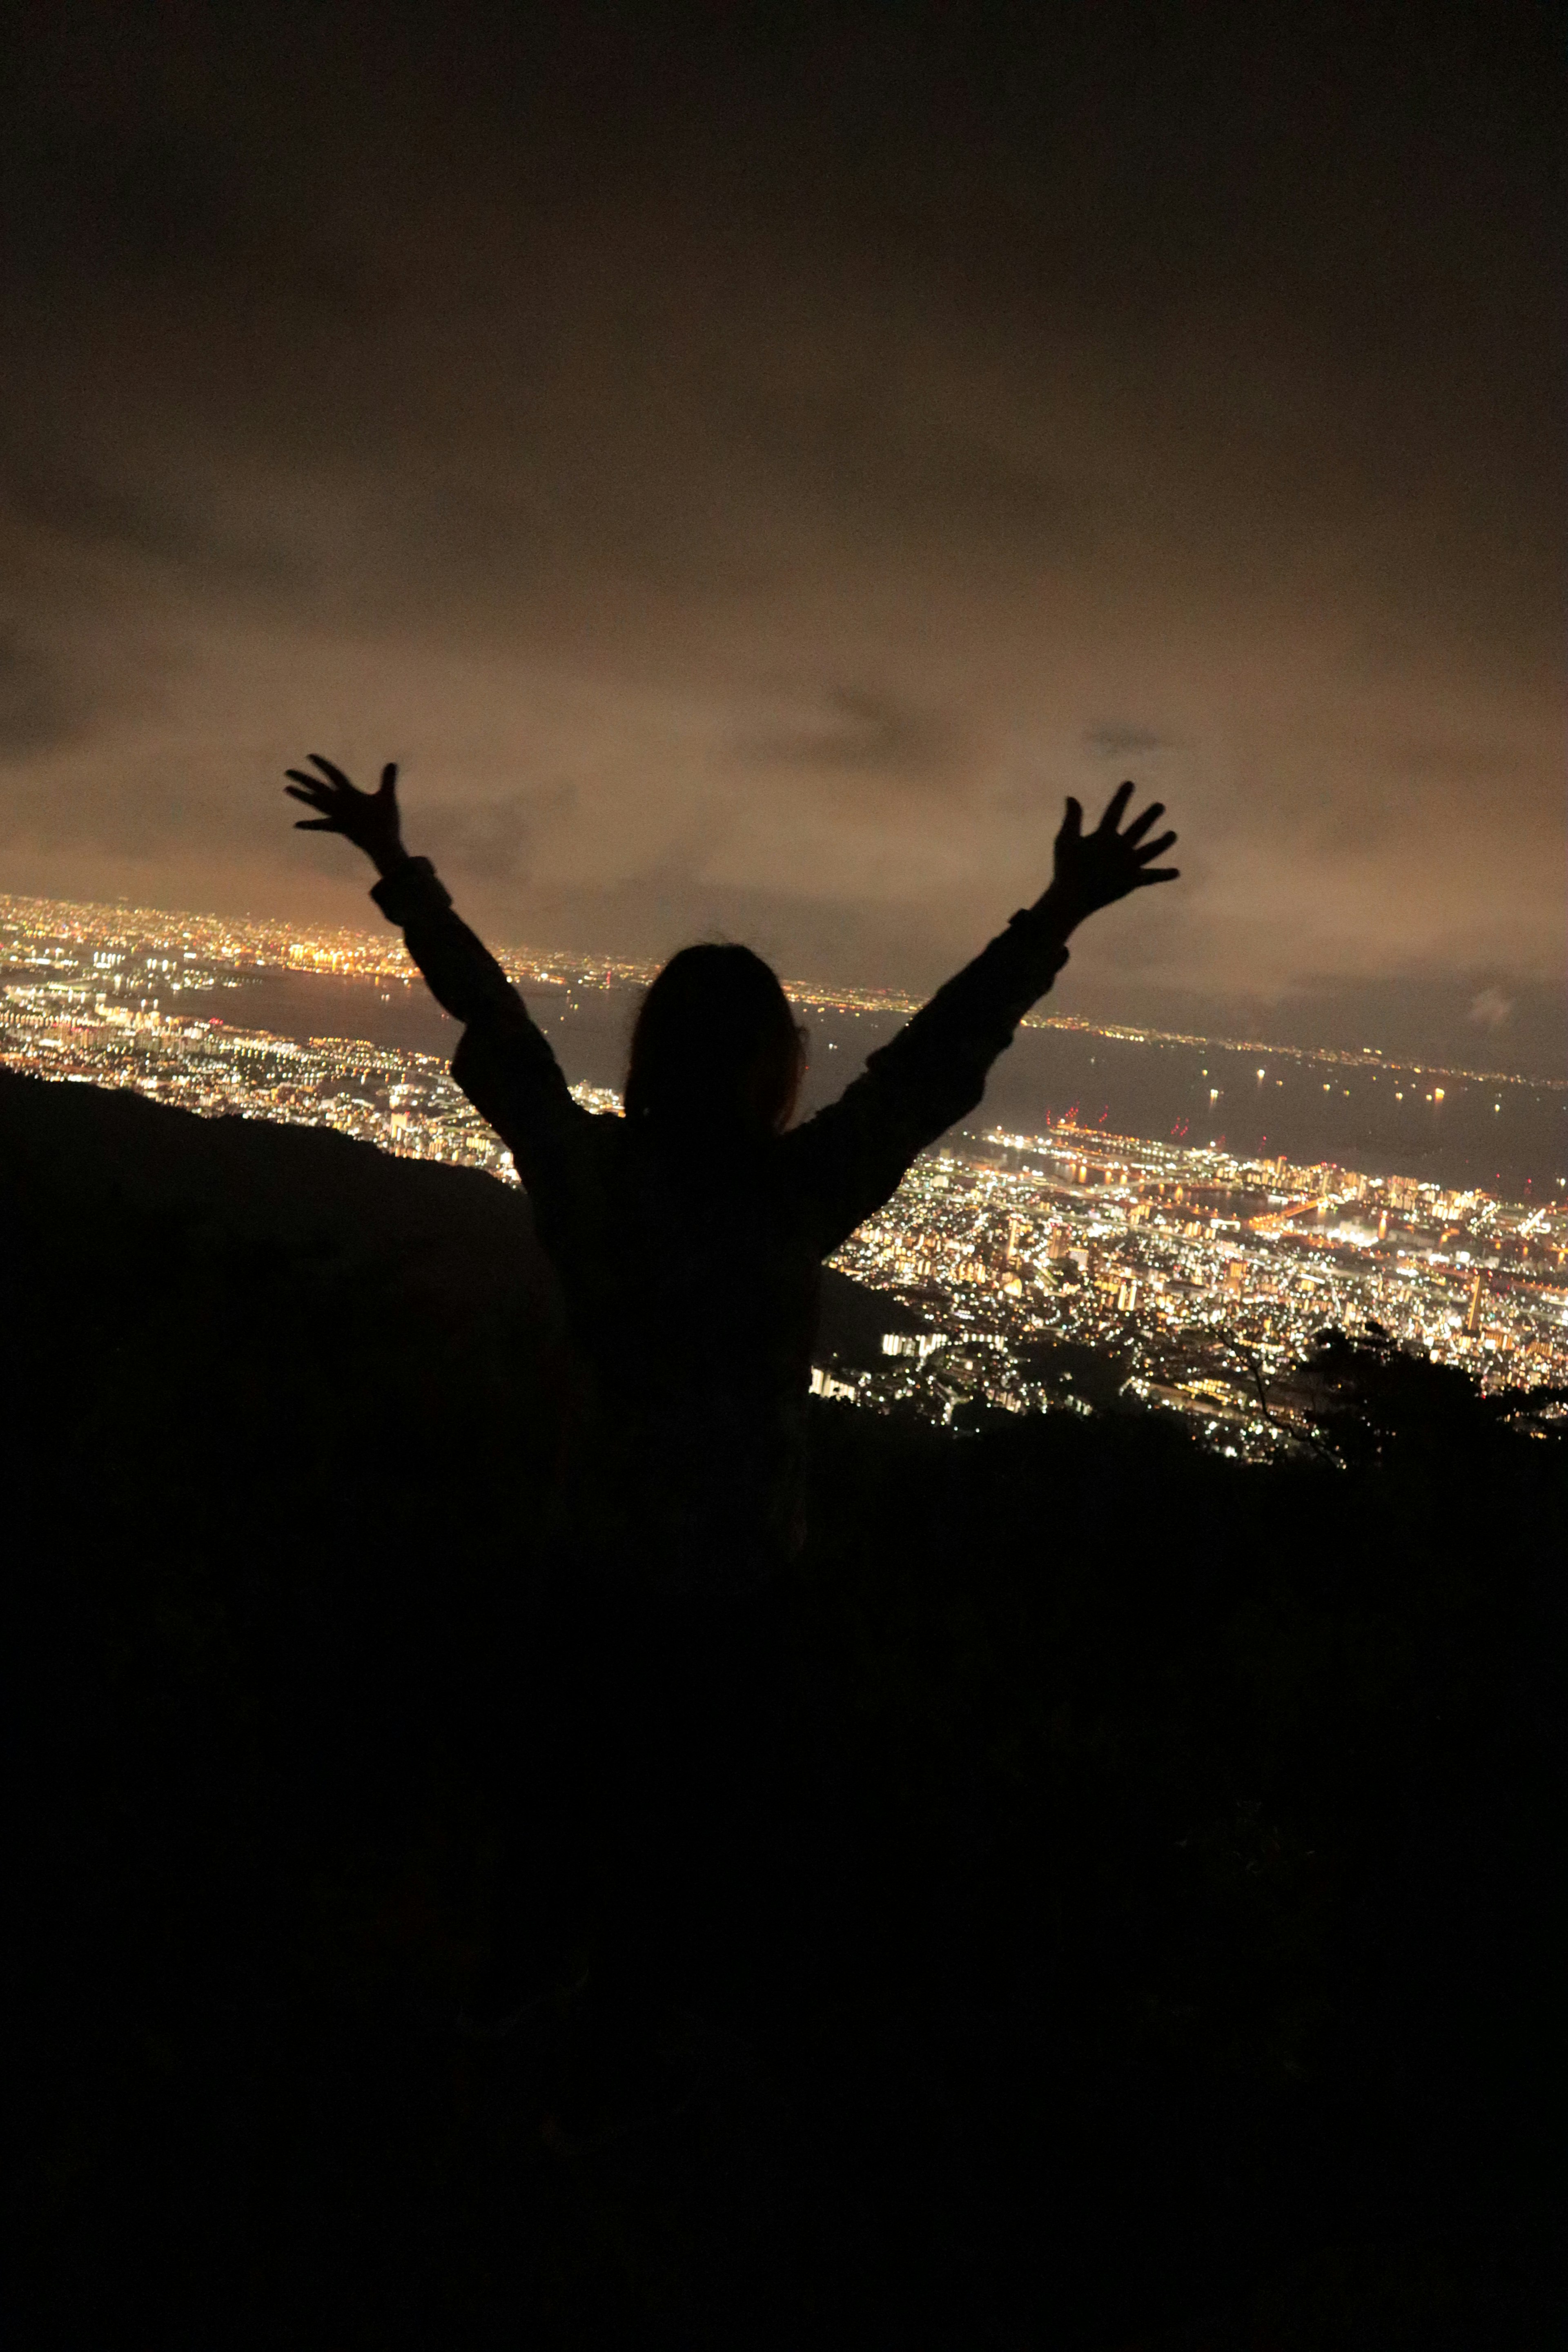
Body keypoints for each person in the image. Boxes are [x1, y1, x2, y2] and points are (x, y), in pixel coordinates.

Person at [284, 754, 1177, 2095]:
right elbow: (931, 1066)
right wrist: (1053, 919)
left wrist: (400, 871)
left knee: (562, 1809)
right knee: (678, 1844)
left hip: (591, 1558)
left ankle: (499, 2015)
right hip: (738, 1586)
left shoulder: (591, 1176)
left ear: (651, 1058)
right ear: (772, 1073)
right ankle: (603, 2083)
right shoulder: (795, 1195)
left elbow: (498, 1024)